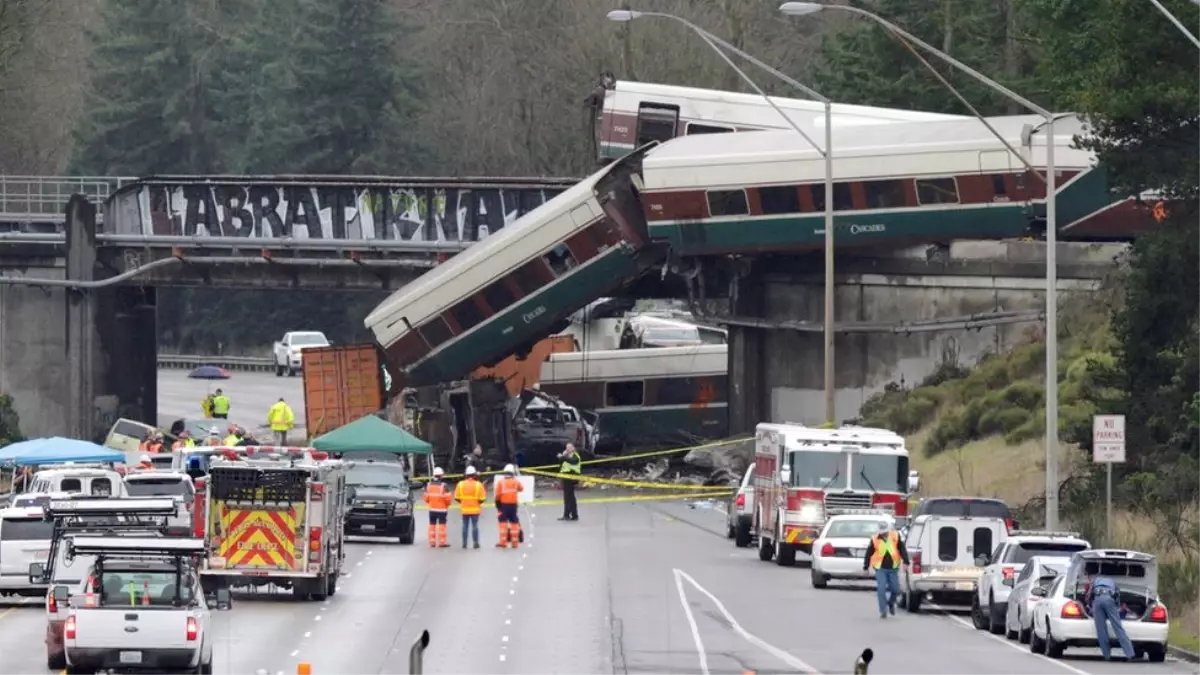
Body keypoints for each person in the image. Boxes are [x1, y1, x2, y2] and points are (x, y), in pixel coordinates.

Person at [861, 520, 909, 618]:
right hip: (880, 568)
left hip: (893, 567)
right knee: (881, 589)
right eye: (882, 533)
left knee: (895, 589)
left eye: (886, 532)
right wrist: (865, 567)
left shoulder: (895, 536)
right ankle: (883, 611)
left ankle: (891, 603)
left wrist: (906, 562)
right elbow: (868, 553)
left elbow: (902, 549)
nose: (884, 534)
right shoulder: (874, 539)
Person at [1085, 573, 1135, 660]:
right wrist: (1117, 608)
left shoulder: (1096, 581)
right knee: (1117, 627)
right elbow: (1117, 598)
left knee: (1101, 629)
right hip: (1109, 599)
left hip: (1097, 600)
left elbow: (1089, 596)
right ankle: (1130, 653)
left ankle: (1107, 655)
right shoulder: (1113, 582)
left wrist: (1090, 606)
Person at [453, 466, 486, 549]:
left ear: (466, 475)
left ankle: (464, 543)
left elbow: (456, 497)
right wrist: (476, 503)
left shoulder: (460, 484)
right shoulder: (478, 485)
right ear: (474, 475)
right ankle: (475, 543)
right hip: (475, 510)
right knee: (475, 526)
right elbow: (482, 499)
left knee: (465, 526)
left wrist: (463, 502)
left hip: (464, 509)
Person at [494, 464, 524, 549]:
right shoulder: (516, 482)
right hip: (513, 505)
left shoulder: (501, 482)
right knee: (514, 523)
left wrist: (497, 505)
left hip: (504, 505)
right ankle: (515, 542)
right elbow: (521, 489)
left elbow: (497, 496)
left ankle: (503, 542)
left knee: (503, 523)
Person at [422, 468, 452, 548]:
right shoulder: (444, 485)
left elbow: (425, 498)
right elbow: (448, 498)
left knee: (432, 525)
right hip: (442, 510)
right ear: (441, 475)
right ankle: (442, 542)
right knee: (442, 526)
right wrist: (446, 505)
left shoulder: (428, 485)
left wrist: (431, 503)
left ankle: (432, 542)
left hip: (432, 509)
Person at [557, 443, 582, 522]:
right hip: (566, 477)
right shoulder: (566, 456)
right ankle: (567, 514)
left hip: (572, 477)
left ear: (573, 448)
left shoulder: (575, 456)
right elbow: (560, 464)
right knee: (567, 497)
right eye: (567, 448)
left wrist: (563, 457)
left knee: (570, 497)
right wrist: (562, 457)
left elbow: (573, 462)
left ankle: (574, 515)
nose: (568, 449)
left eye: (569, 447)